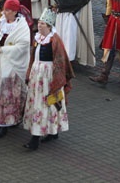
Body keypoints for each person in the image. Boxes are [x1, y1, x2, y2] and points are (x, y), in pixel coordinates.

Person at [22, 8, 73, 150]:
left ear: (50, 26)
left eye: (43, 24)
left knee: (45, 104)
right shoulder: (37, 38)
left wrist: (56, 81)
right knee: (39, 103)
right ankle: (52, 132)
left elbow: (61, 61)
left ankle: (35, 139)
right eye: (39, 23)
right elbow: (33, 57)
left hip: (48, 77)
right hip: (36, 75)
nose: (39, 25)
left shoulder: (55, 40)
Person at [0, 0, 31, 139]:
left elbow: (24, 44)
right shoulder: (2, 22)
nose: (4, 12)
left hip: (14, 64)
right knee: (2, 92)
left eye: (7, 10)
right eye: (4, 9)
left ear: (14, 12)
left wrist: (5, 49)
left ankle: (12, 119)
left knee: (11, 93)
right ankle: (2, 121)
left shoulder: (22, 26)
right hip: (2, 62)